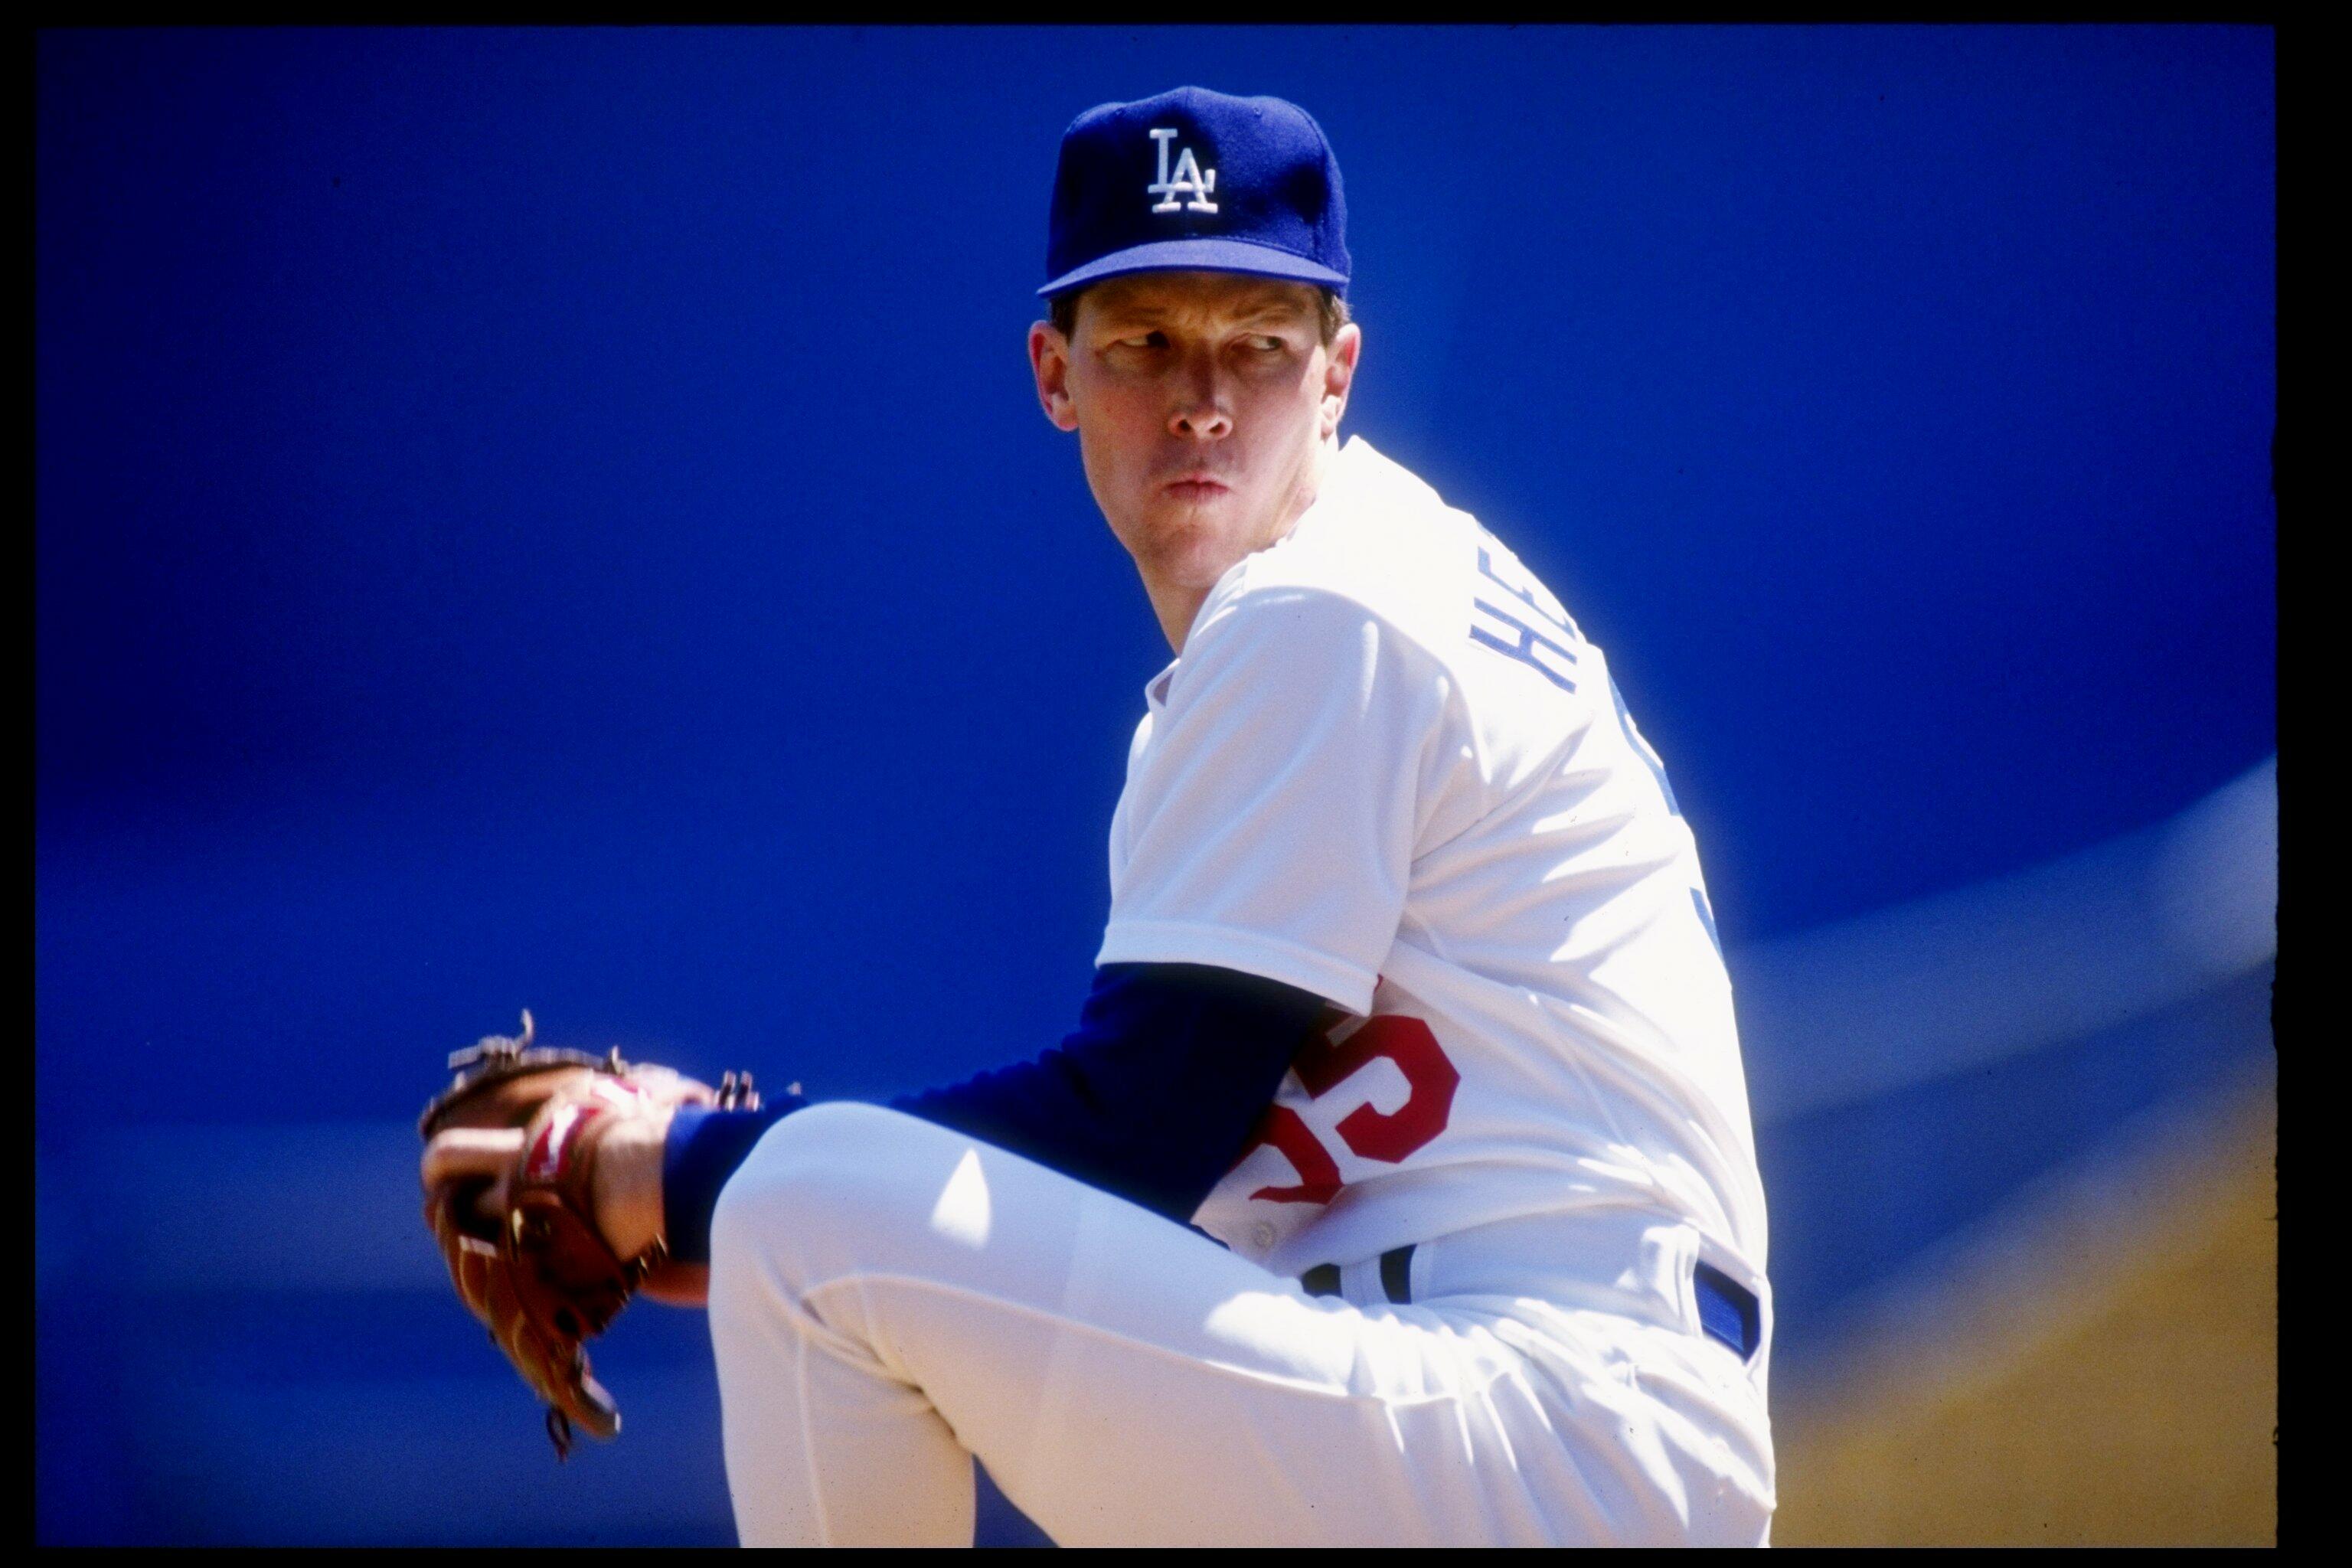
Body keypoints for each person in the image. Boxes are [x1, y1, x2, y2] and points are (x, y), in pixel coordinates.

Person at [433, 84, 1775, 1547]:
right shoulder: (1352, 593)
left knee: (802, 1225)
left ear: (1336, 375)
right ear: (1054, 371)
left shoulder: (1327, 611)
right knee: (834, 1230)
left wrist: (672, 1172)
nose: (1202, 393)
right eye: (1146, 340)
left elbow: (1142, 1126)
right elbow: (1157, 1185)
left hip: (1540, 1411)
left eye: (1258, 344)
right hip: (1507, 1413)